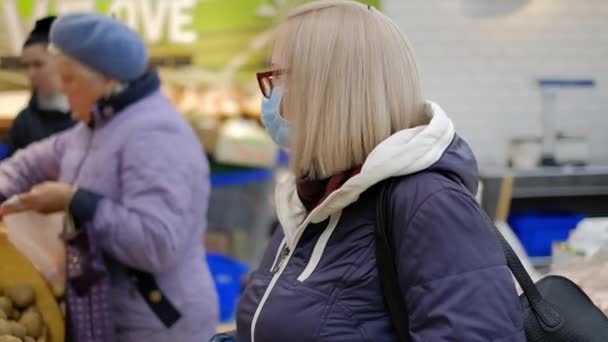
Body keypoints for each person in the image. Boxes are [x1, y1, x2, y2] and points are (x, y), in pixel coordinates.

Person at [237, 1, 525, 341]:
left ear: (331, 92)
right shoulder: (316, 196)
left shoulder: (429, 206)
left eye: (280, 77)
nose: (271, 96)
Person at [0, 13, 218, 341]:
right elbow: (27, 164)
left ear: (107, 80)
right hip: (111, 320)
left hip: (159, 325)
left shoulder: (156, 135)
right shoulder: (94, 127)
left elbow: (157, 243)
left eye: (69, 79)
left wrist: (75, 201)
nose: (62, 88)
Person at [9, 16, 74, 156]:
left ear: (62, 63)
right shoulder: (24, 122)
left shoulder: (91, 116)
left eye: (38, 64)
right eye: (26, 66)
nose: (31, 74)